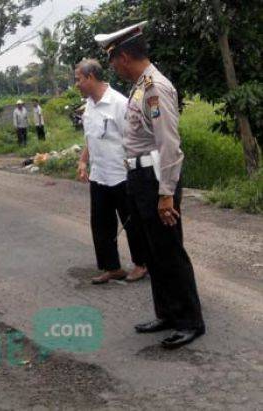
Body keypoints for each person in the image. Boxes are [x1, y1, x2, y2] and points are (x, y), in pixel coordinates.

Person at [97, 21, 205, 348]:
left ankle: (190, 321)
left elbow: (169, 144)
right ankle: (167, 313)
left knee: (170, 251)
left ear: (126, 56)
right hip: (139, 178)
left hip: (156, 178)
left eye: (114, 59)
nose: (113, 66)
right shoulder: (141, 86)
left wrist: (167, 193)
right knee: (153, 251)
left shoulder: (156, 87)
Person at [74, 58, 149, 285]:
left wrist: (136, 172)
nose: (76, 84)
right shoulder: (89, 105)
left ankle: (141, 264)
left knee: (132, 222)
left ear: (90, 77)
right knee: (101, 223)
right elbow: (92, 136)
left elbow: (133, 140)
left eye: (78, 79)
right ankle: (111, 267)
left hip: (122, 175)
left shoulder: (118, 103)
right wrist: (83, 161)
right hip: (100, 175)